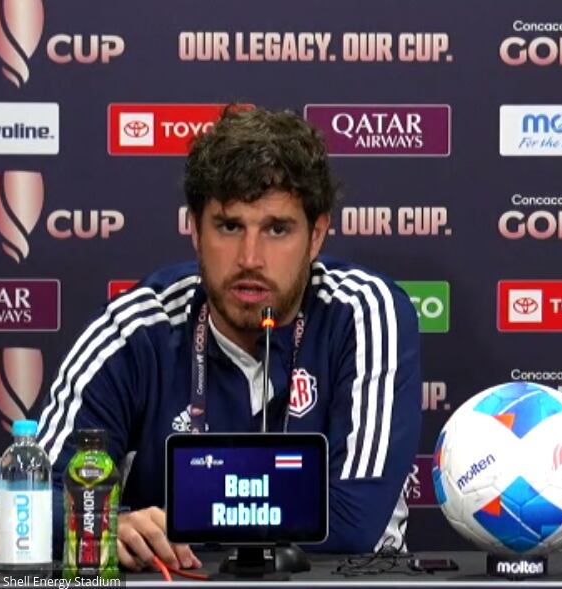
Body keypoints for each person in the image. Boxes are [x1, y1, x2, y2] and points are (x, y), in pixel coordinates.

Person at [33, 106, 422, 571]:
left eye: (277, 229)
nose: (250, 258)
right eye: (229, 226)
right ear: (195, 230)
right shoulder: (135, 330)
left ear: (316, 236)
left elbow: (353, 521)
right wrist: (114, 523)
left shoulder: (363, 313)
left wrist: (170, 525)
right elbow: (34, 500)